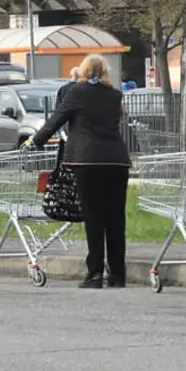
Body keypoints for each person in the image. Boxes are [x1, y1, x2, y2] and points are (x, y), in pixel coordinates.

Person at [31, 54, 131, 288]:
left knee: (94, 216)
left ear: (83, 71)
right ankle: (118, 274)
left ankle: (95, 273)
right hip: (117, 160)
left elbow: (56, 120)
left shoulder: (77, 92)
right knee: (116, 218)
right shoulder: (115, 95)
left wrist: (36, 140)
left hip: (88, 161)